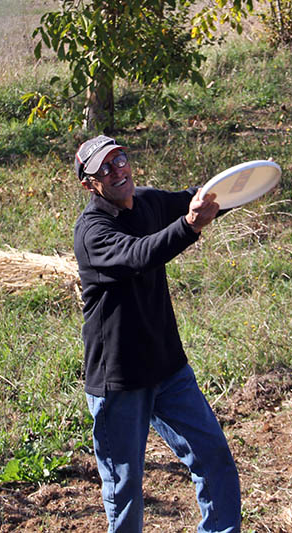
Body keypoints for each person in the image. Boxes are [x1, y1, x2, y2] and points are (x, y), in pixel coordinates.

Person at [72, 135, 242, 532]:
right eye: (105, 169)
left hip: (168, 368)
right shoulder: (92, 232)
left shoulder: (146, 201)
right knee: (125, 491)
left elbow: (197, 199)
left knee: (213, 456)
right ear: (89, 184)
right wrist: (189, 226)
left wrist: (247, 183)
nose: (119, 171)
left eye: (121, 160)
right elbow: (139, 254)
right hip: (120, 380)